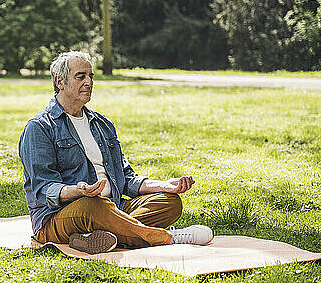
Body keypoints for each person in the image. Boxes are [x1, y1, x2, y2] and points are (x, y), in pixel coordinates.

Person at [18, 51, 213, 254]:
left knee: (169, 202)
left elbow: (126, 178)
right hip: (61, 217)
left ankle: (96, 237)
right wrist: (77, 190)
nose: (89, 82)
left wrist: (164, 185)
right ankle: (168, 238)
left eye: (91, 76)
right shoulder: (39, 127)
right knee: (93, 207)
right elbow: (43, 189)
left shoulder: (103, 124)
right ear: (60, 82)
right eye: (80, 76)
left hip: (113, 208)